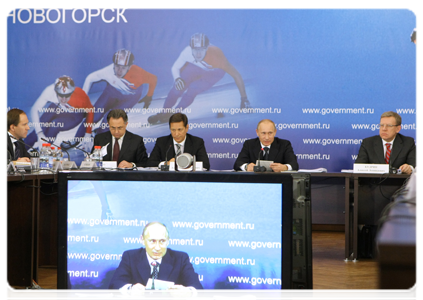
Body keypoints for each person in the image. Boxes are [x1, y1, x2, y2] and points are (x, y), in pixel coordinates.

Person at [148, 33, 250, 124]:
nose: (198, 53)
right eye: (195, 50)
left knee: (193, 89)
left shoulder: (217, 56)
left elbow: (236, 75)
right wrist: (177, 78)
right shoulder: (187, 52)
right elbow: (175, 67)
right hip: (197, 67)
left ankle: (175, 113)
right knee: (177, 88)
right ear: (191, 48)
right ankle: (164, 112)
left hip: (214, 71)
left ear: (207, 48)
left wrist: (244, 98)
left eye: (201, 50)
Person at [109, 222, 204, 298]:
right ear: (142, 240)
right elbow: (114, 285)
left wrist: (187, 292)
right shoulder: (131, 257)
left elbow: (198, 288)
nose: (157, 247)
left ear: (168, 241)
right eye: (152, 241)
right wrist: (130, 289)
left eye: (162, 241)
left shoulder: (180, 258)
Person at [83, 49, 157, 134]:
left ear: (129, 67)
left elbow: (153, 79)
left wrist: (149, 96)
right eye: (117, 66)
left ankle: (98, 134)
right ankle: (77, 138)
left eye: (123, 68)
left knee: (110, 119)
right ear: (114, 64)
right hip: (113, 91)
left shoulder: (138, 73)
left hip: (130, 97)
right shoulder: (109, 70)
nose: (119, 70)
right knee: (93, 116)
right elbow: (89, 78)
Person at [26, 75, 95, 151]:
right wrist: (39, 134)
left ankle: (42, 150)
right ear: (55, 91)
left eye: (67, 95)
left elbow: (90, 111)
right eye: (61, 95)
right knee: (40, 127)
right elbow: (34, 109)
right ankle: (20, 150)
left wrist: (88, 134)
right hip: (57, 107)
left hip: (74, 115)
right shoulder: (49, 91)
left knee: (55, 125)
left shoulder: (79, 95)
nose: (64, 99)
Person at [234, 119, 299, 172]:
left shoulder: (284, 144)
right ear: (257, 132)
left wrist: (285, 167)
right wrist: (246, 167)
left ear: (275, 132)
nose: (267, 137)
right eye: (263, 133)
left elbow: (294, 165)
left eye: (270, 133)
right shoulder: (249, 144)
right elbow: (237, 164)